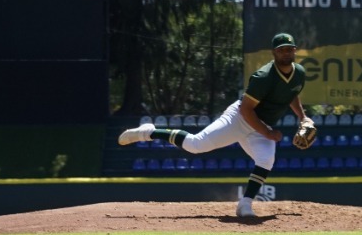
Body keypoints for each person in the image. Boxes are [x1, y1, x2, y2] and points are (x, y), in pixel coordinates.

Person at [118, 32, 312, 218]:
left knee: (266, 160)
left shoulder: (299, 73)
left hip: (261, 125)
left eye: (289, 49)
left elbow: (291, 94)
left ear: (295, 50)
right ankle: (149, 132)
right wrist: (268, 133)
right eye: (281, 49)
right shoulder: (263, 77)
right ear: (274, 52)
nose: (286, 53)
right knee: (195, 144)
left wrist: (303, 118)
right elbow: (246, 110)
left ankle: (245, 204)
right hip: (240, 119)